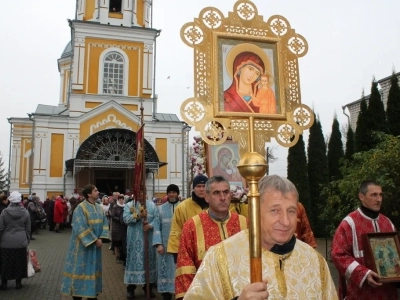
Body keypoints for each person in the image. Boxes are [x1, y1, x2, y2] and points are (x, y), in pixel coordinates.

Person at [185, 175, 338, 299]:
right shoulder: (219, 257)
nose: (285, 221)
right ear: (254, 211)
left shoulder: (315, 261)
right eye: (274, 210)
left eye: (291, 211)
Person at [175, 176, 247, 299]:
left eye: (226, 192)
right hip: (207, 294)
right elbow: (185, 266)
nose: (223, 198)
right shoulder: (192, 226)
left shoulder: (244, 223)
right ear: (207, 197)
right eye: (216, 193)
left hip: (241, 293)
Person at [331, 180, 398, 299]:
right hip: (360, 294)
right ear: (361, 196)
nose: (379, 199)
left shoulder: (387, 223)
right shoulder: (349, 223)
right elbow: (338, 255)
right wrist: (364, 274)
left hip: (388, 293)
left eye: (380, 194)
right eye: (374, 195)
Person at [61, 184, 109, 300]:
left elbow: (105, 223)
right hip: (82, 247)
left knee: (93, 270)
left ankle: (92, 294)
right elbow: (79, 226)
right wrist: (94, 239)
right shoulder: (81, 208)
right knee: (80, 270)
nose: (98, 192)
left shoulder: (99, 207)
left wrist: (101, 238)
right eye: (95, 190)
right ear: (89, 194)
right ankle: (77, 295)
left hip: (96, 247)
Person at [123, 189, 161, 299]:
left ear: (145, 193)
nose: (140, 195)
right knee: (133, 262)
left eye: (142, 192)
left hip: (148, 240)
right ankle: (131, 288)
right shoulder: (129, 205)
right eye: (138, 193)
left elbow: (157, 220)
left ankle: (147, 287)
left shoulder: (152, 206)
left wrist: (150, 226)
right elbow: (125, 219)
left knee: (148, 263)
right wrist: (139, 215)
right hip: (134, 241)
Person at [167, 175, 209, 257]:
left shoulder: (214, 205)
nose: (201, 189)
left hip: (211, 250)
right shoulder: (182, 207)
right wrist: (176, 252)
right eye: (198, 186)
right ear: (193, 188)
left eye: (204, 186)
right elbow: (176, 229)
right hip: (190, 251)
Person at [0, 191, 30, 290]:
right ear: (20, 200)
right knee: (19, 262)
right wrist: (27, 240)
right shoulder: (25, 212)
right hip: (21, 241)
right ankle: (18, 283)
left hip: (6, 241)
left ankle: (4, 283)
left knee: (5, 263)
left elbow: (1, 228)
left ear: (10, 200)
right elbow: (28, 228)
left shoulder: (4, 212)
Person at [156, 184, 181, 300]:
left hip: (180, 246)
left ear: (177, 194)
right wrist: (158, 244)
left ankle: (179, 293)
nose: (171, 194)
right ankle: (166, 293)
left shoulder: (182, 207)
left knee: (179, 269)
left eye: (174, 192)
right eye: (169, 192)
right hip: (165, 247)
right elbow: (157, 227)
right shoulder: (160, 209)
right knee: (165, 269)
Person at [110, 195, 127, 264]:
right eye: (120, 199)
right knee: (117, 243)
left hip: (124, 227)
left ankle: (122, 257)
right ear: (118, 200)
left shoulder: (126, 207)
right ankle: (117, 257)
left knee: (123, 244)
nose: (121, 201)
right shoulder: (115, 207)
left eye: (122, 199)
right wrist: (119, 219)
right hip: (117, 228)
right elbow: (113, 216)